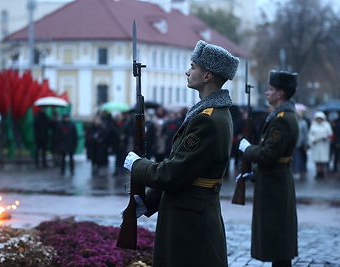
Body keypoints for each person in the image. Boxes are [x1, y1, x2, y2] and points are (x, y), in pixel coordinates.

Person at [124, 40, 239, 266]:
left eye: (193, 67)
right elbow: (187, 170)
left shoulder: (207, 119)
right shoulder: (209, 113)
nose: (188, 71)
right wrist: (149, 202)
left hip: (191, 220)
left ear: (207, 76)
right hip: (189, 212)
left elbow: (174, 173)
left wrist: (138, 165)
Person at [238, 70, 299, 267]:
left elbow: (268, 155)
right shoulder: (281, 116)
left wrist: (247, 149)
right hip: (274, 181)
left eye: (271, 89)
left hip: (275, 185)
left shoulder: (282, 119)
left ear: (280, 94)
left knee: (278, 236)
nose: (267, 93)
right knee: (277, 237)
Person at [308, 111, 333, 179]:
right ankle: (317, 173)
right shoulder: (313, 125)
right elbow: (310, 134)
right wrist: (313, 140)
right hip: (316, 145)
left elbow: (330, 134)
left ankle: (322, 173)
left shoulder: (327, 125)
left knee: (322, 160)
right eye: (318, 118)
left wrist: (326, 138)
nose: (319, 120)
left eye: (320, 118)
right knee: (317, 160)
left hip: (324, 145)